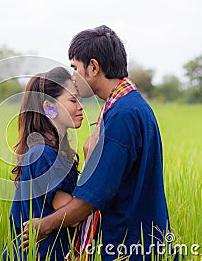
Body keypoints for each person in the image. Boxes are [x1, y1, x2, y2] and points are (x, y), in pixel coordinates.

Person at [23, 25, 172, 260]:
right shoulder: (129, 106)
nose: (73, 77)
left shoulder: (123, 115)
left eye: (75, 68)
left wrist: (44, 225)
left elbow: (91, 199)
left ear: (93, 67)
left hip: (130, 245)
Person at [3, 67, 84, 261]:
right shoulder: (43, 154)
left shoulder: (50, 152)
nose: (80, 106)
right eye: (73, 100)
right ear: (49, 107)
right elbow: (75, 217)